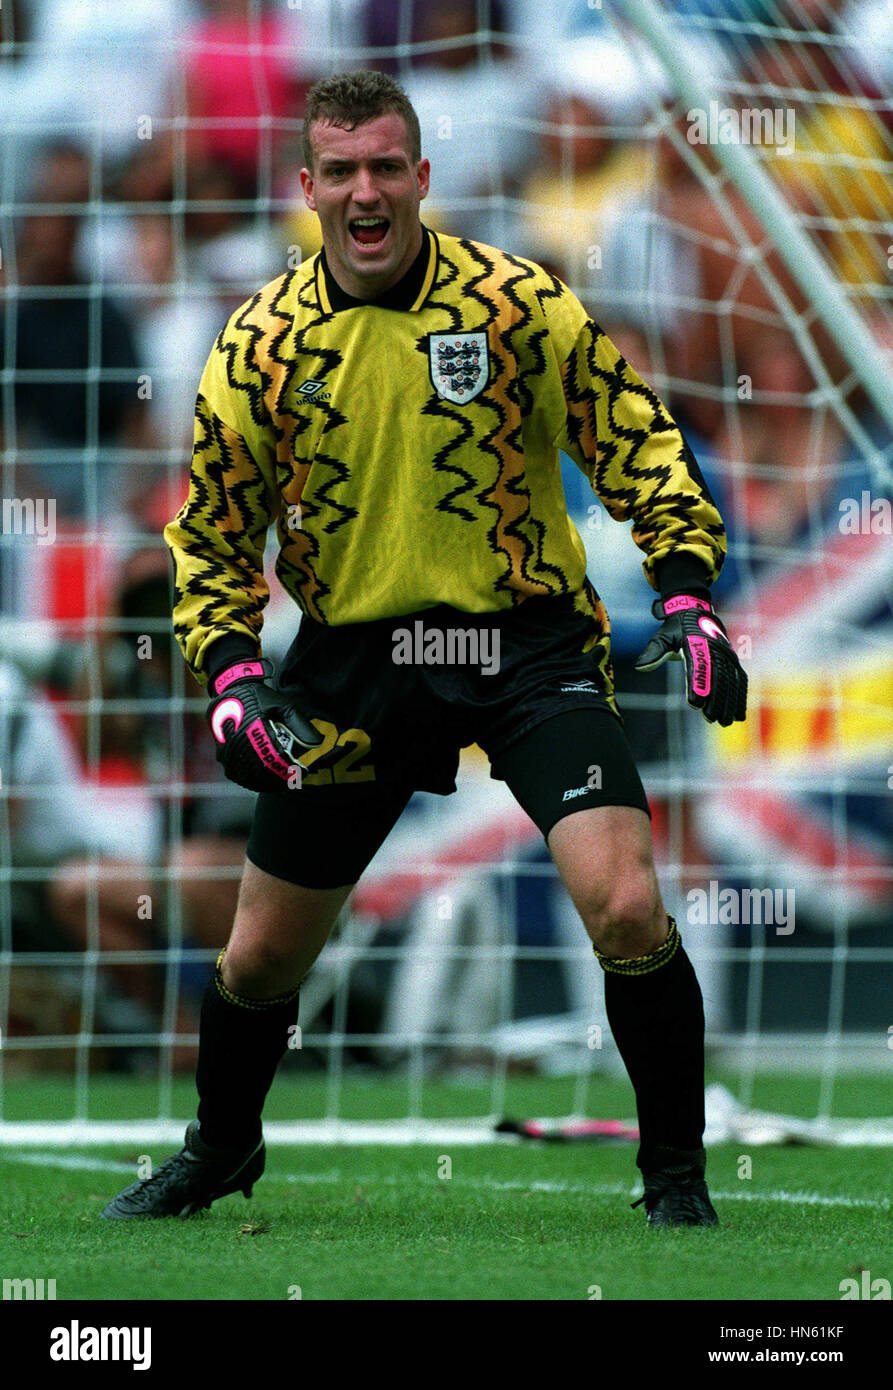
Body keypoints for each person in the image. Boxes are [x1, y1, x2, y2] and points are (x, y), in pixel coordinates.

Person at [101, 70, 746, 1227]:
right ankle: (221, 1146)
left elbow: (638, 441)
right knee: (256, 962)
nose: (365, 191)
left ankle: (675, 1176)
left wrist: (688, 594)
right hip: (354, 669)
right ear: (306, 187)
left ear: (420, 179)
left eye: (385, 167)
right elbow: (207, 535)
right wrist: (235, 680)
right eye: (340, 170)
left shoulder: (516, 301)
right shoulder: (259, 346)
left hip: (526, 647)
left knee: (629, 907)